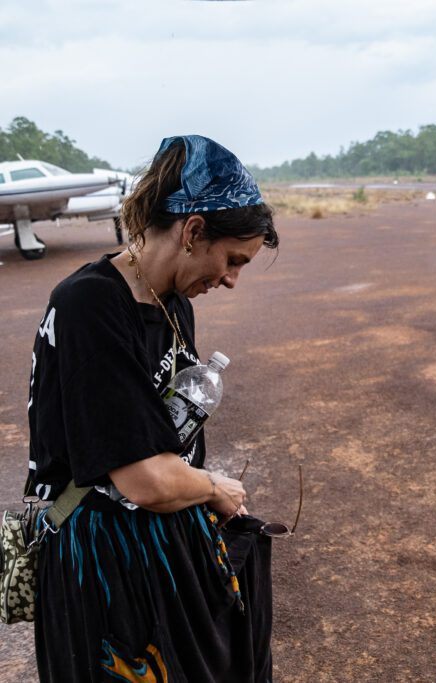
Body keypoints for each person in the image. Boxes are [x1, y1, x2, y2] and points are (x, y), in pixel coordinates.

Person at [25, 135, 280, 682]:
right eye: (233, 259)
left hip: (161, 546)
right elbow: (142, 478)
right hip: (102, 560)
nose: (232, 278)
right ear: (193, 232)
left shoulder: (173, 304)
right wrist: (212, 487)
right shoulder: (90, 304)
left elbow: (166, 438)